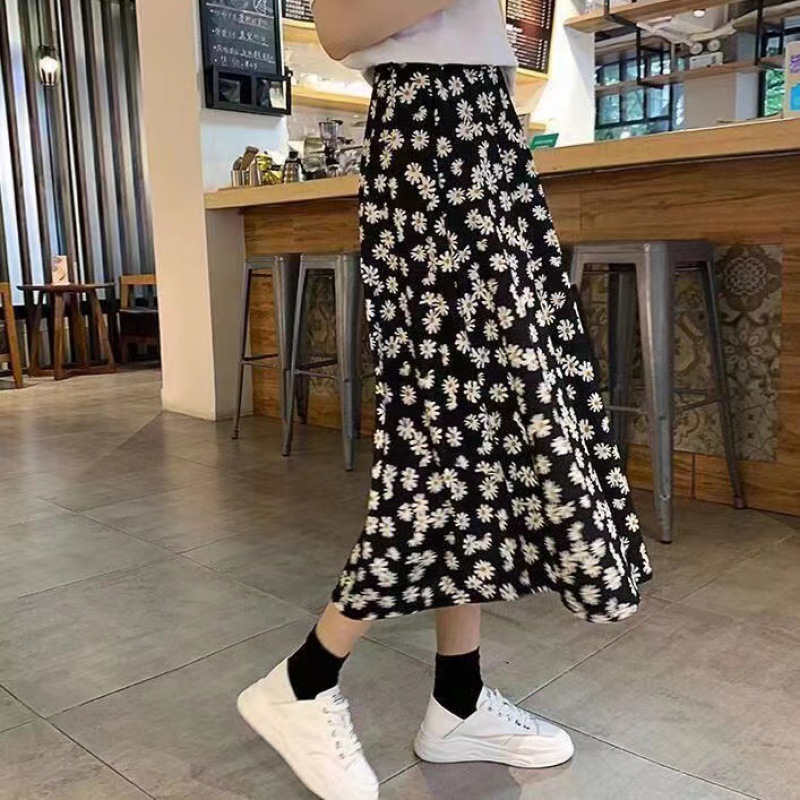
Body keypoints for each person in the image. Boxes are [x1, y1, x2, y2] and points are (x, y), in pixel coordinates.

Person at [236, 1, 653, 798]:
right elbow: (337, 29)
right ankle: (304, 678)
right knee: (442, 436)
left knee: (480, 429)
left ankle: (458, 700)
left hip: (483, 132)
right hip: (433, 137)